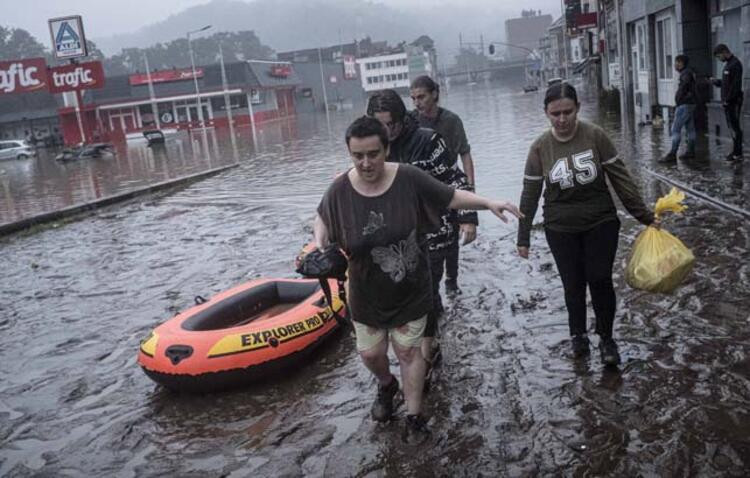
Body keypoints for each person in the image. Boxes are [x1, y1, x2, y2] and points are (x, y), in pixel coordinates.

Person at [314, 116, 521, 441]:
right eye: (358, 156)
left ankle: (414, 415)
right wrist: (319, 246)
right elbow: (323, 217)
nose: (366, 163)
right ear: (350, 154)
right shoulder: (340, 189)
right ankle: (386, 384)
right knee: (371, 353)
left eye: (373, 153)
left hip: (410, 288)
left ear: (386, 149)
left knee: (409, 353)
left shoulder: (408, 178)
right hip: (366, 292)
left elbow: (450, 196)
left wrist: (487, 203)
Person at [517, 83, 657, 367]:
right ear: (546, 112)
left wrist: (645, 216)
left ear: (577, 108)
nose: (562, 119)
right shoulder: (540, 148)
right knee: (573, 284)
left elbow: (621, 179)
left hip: (600, 221)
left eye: (568, 111)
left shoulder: (595, 135)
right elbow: (530, 193)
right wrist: (523, 237)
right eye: (555, 113)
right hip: (560, 227)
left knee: (600, 278)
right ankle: (578, 336)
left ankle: (606, 338)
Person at [365, 89, 477, 370]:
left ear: (403, 119)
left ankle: (427, 353)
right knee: (405, 295)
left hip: (433, 232)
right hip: (393, 238)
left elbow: (456, 181)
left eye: (391, 124)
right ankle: (419, 346)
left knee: (425, 291)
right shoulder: (369, 149)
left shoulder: (428, 141)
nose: (386, 132)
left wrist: (468, 217)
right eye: (380, 126)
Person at [410, 75, 475, 294]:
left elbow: (465, 154)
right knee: (428, 238)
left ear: (434, 94)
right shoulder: (411, 122)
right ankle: (431, 287)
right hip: (423, 189)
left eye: (422, 97)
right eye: (414, 98)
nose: (418, 102)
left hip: (450, 184)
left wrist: (470, 190)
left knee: (452, 234)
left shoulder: (451, 121)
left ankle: (452, 279)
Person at [661, 54, 697, 163]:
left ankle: (672, 153)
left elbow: (684, 87)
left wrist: (679, 99)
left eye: (677, 62)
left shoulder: (685, 74)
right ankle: (690, 151)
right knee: (690, 129)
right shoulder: (689, 72)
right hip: (691, 104)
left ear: (681, 63)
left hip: (684, 104)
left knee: (675, 129)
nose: (675, 65)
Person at [711, 44, 744, 162]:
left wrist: (727, 100)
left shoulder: (735, 64)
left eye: (719, 56)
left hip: (733, 102)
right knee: (732, 127)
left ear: (724, 52)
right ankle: (735, 152)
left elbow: (735, 86)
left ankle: (738, 153)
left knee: (735, 128)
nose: (719, 59)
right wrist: (717, 82)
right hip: (728, 102)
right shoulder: (728, 65)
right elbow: (727, 84)